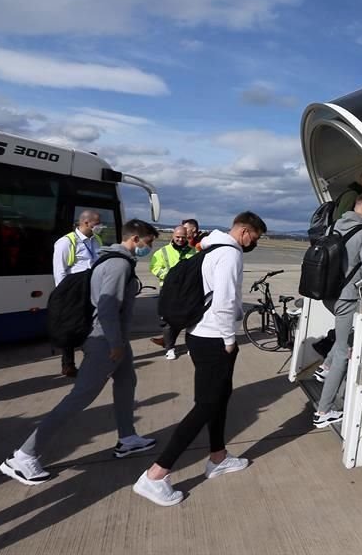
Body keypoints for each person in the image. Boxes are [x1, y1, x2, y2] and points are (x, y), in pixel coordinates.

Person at [0, 219, 160, 486]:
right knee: (80, 397)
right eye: (149, 242)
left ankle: (127, 438)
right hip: (105, 340)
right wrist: (115, 344)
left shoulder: (111, 259)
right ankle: (24, 455)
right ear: (135, 240)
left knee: (126, 380)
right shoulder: (119, 264)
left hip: (113, 337)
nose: (150, 247)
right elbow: (107, 309)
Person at [133, 211, 266, 506]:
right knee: (206, 404)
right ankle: (156, 475)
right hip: (213, 338)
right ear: (245, 231)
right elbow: (224, 301)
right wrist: (229, 341)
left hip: (198, 333)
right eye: (254, 238)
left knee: (219, 398)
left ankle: (217, 457)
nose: (253, 243)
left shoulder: (211, 247)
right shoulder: (230, 255)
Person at [314, 194, 362, 428]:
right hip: (346, 297)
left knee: (345, 337)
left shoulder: (333, 226)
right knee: (343, 351)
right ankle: (324, 410)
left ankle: (325, 367)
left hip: (327, 295)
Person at [51, 210, 104, 377]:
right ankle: (68, 364)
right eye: (98, 223)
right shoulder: (66, 242)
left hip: (92, 288)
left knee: (90, 325)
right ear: (86, 223)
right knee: (70, 326)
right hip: (73, 291)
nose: (100, 226)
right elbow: (59, 271)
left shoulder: (96, 240)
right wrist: (64, 295)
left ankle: (92, 360)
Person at [149, 226, 198, 360]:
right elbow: (154, 267)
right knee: (168, 321)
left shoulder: (193, 252)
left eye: (183, 237)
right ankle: (170, 348)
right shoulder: (162, 252)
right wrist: (169, 276)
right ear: (173, 236)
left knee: (190, 320)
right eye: (178, 237)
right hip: (169, 292)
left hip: (187, 292)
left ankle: (190, 347)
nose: (180, 239)